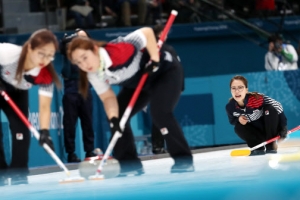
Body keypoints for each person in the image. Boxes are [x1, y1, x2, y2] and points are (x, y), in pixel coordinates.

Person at [66, 26, 194, 175]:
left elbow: (147, 32)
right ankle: (129, 165)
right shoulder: (93, 73)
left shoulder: (120, 51)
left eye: (84, 57)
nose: (84, 65)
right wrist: (114, 118)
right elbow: (108, 97)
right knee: (117, 117)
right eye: (78, 62)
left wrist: (155, 59)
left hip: (163, 70)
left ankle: (183, 160)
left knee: (160, 112)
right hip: (138, 81)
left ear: (94, 49)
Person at [0, 29, 60, 186]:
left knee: (21, 130)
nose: (45, 59)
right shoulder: (7, 53)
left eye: (50, 55)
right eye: (42, 53)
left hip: (18, 92)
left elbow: (45, 106)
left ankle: (19, 174)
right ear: (30, 48)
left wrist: (45, 132)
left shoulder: (45, 75)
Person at [225, 75, 288, 156]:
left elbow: (277, 105)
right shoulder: (230, 107)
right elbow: (232, 121)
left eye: (240, 87)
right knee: (238, 127)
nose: (237, 91)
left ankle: (271, 145)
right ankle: (257, 147)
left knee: (269, 108)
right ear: (230, 90)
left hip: (269, 130)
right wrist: (238, 119)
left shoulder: (257, 99)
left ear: (246, 89)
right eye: (233, 88)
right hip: (256, 134)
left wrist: (283, 127)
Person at [60, 29, 96, 163]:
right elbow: (62, 48)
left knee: (88, 123)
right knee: (70, 124)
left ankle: (89, 150)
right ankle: (71, 153)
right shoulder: (68, 51)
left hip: (86, 91)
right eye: (79, 37)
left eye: (84, 37)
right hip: (71, 93)